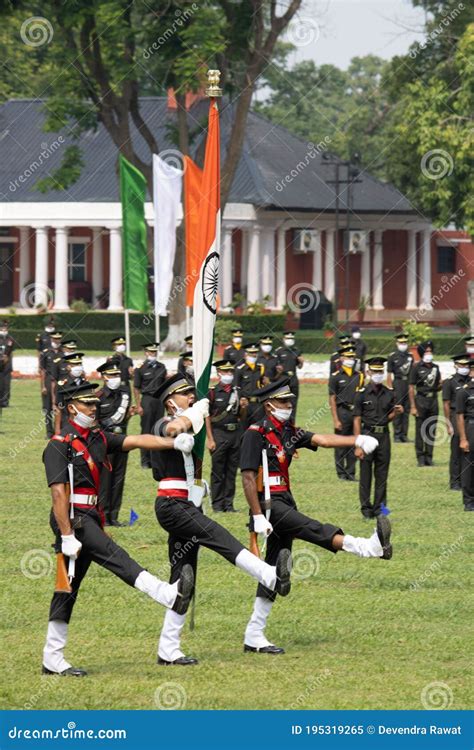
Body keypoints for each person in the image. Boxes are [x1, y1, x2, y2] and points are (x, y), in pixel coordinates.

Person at [41, 381, 196, 677]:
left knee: (67, 588)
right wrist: (66, 535)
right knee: (113, 556)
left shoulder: (97, 437)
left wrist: (171, 443)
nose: (94, 408)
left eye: (95, 404)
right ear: (72, 407)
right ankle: (165, 593)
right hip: (72, 518)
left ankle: (52, 657)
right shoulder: (59, 444)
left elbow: (135, 441)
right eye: (88, 404)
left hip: (89, 515)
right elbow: (59, 493)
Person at [240, 379, 392, 655]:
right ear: (269, 405)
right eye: (284, 402)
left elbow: (321, 439)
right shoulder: (255, 433)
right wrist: (257, 515)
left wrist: (355, 439)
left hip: (285, 498)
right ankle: (366, 547)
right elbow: (248, 477)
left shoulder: (288, 432)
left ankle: (254, 634)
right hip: (268, 504)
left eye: (290, 401)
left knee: (273, 571)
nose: (289, 405)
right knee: (311, 528)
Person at [151, 373, 292, 665]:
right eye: (184, 394)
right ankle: (267, 574)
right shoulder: (163, 423)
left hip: (188, 503)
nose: (190, 397)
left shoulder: (192, 423)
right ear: (169, 402)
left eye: (192, 393)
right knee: (217, 535)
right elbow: (172, 429)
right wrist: (195, 413)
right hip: (171, 505)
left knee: (183, 577)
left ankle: (168, 648)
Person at [353, 357, 401, 518]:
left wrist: (396, 413)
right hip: (367, 434)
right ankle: (366, 510)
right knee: (365, 474)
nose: (378, 374)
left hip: (384, 436)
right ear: (368, 372)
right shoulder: (361, 394)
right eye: (375, 371)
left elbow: (388, 417)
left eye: (380, 371)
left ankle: (380, 509)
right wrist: (358, 444)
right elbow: (357, 419)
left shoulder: (390, 393)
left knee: (382, 474)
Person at [206, 359, 246, 512]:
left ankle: (229, 505)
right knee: (218, 471)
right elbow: (207, 416)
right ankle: (217, 505)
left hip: (235, 434)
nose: (228, 374)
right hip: (219, 434)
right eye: (225, 372)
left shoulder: (237, 392)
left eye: (230, 372)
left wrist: (243, 408)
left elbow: (241, 416)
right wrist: (210, 439)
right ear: (219, 373)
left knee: (231, 472)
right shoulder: (212, 392)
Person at [97, 361, 132, 526]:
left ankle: (114, 516)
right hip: (105, 441)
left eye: (117, 375)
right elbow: (94, 421)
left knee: (119, 478)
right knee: (105, 479)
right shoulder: (98, 396)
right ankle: (103, 516)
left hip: (122, 440)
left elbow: (124, 417)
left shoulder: (125, 392)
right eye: (111, 375)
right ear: (104, 377)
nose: (115, 378)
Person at [328, 343, 365, 480]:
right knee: (340, 444)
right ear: (342, 358)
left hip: (355, 413)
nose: (351, 359)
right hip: (342, 412)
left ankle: (351, 472)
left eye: (352, 357)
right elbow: (332, 399)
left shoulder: (359, 376)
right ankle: (341, 472)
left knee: (354, 442)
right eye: (348, 357)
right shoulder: (336, 376)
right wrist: (335, 419)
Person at [134, 343, 167, 470]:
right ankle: (145, 460)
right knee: (146, 430)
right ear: (146, 353)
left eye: (155, 352)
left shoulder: (162, 367)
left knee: (158, 430)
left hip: (159, 401)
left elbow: (164, 386)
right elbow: (136, 388)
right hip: (146, 400)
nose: (153, 354)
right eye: (151, 352)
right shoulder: (140, 368)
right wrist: (138, 405)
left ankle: (156, 459)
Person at [409, 340, 441, 467]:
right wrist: (412, 406)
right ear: (422, 353)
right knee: (420, 430)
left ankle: (429, 457)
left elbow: (437, 385)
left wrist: (441, 386)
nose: (429, 353)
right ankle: (420, 457)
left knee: (431, 430)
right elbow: (411, 387)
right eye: (427, 351)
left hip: (433, 401)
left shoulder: (436, 367)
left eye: (430, 351)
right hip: (420, 400)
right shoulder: (416, 367)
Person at [442, 354, 470, 491]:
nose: (464, 368)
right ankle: (455, 481)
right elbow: (446, 403)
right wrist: (448, 423)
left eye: (466, 365)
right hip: (455, 415)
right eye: (461, 365)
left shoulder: (471, 381)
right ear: (455, 365)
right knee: (456, 451)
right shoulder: (450, 382)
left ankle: (467, 479)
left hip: (469, 417)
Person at [387, 333, 414, 442]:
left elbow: (412, 372)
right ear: (397, 343)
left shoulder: (410, 356)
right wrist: (389, 389)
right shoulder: (392, 356)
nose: (403, 344)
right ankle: (397, 435)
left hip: (407, 383)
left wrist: (412, 387)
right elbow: (389, 374)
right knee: (398, 409)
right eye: (401, 343)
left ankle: (404, 434)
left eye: (405, 342)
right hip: (397, 383)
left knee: (406, 410)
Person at [456, 360, 474, 511]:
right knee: (468, 465)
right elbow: (460, 415)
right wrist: (463, 438)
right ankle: (468, 500)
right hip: (471, 427)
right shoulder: (464, 391)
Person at [54, 352, 87, 433]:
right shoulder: (62, 384)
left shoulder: (86, 384)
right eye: (75, 365)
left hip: (83, 423)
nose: (78, 367)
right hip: (67, 423)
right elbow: (58, 408)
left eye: (79, 364)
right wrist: (57, 429)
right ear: (68, 367)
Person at [235, 343, 265, 428]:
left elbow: (263, 385)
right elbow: (236, 387)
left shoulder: (260, 368)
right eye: (251, 353)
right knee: (243, 429)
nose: (253, 355)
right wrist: (241, 399)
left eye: (255, 353)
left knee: (258, 429)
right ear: (245, 355)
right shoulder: (240, 369)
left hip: (258, 404)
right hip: (245, 404)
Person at [40, 331, 63, 438]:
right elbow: (43, 370)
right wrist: (43, 386)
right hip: (49, 381)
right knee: (47, 408)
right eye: (55, 339)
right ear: (51, 339)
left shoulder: (63, 352)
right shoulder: (46, 352)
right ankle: (49, 432)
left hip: (61, 381)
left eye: (59, 339)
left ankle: (60, 430)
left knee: (61, 407)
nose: (57, 341)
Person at [275, 331, 304, 416]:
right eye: (288, 338)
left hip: (293, 379)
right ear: (284, 339)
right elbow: (275, 366)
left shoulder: (297, 351)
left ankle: (292, 424)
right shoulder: (279, 351)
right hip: (283, 379)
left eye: (291, 338)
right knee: (282, 403)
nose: (290, 340)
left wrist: (301, 362)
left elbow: (299, 366)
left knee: (293, 404)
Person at [0, 319, 15, 408]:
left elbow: (11, 352)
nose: (4, 330)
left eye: (6, 328)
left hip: (6, 365)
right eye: (2, 328)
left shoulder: (10, 339)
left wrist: (7, 359)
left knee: (6, 384)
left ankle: (5, 401)